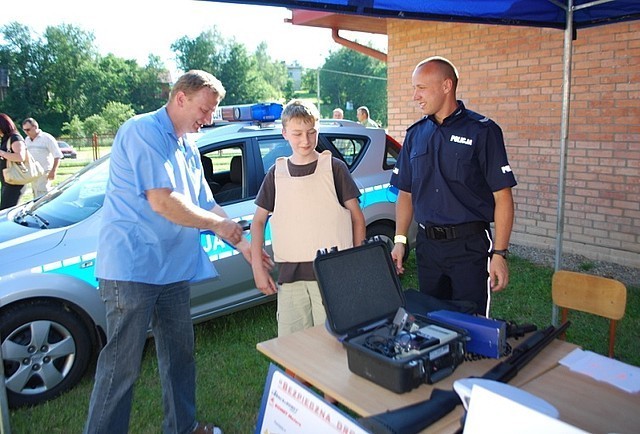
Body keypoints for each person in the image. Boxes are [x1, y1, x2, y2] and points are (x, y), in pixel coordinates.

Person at [84, 70, 271, 434]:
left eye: (213, 111)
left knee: (180, 357)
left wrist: (246, 247)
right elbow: (163, 201)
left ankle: (183, 427)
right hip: (132, 270)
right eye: (205, 109)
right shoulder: (142, 131)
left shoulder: (187, 143)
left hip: (172, 271)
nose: (208, 119)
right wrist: (217, 226)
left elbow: (205, 202)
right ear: (180, 98)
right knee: (121, 369)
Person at [390, 56, 516, 317]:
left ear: (446, 86)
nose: (415, 96)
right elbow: (405, 193)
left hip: (468, 249)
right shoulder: (415, 134)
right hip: (428, 249)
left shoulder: (483, 131)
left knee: (471, 326)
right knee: (431, 323)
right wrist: (400, 240)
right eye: (415, 88)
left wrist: (500, 254)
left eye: (421, 88)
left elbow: (503, 197)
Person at [250, 99, 366, 337]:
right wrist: (257, 268)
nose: (305, 140)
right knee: (293, 346)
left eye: (311, 132)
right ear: (284, 134)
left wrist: (357, 264)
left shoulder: (335, 169)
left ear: (318, 130)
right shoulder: (275, 174)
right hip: (291, 279)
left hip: (333, 275)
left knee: (333, 342)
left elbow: (357, 218)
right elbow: (258, 221)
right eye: (297, 133)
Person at [22, 117, 63, 198]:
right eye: (24, 130)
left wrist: (53, 171)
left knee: (44, 193)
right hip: (33, 172)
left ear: (35, 127)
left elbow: (57, 155)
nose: (26, 132)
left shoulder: (47, 138)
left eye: (28, 129)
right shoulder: (26, 140)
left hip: (45, 172)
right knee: (35, 193)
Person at [0, 113, 27, 210]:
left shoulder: (15, 138)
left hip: (15, 182)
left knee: (6, 210)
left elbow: (20, 157)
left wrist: (2, 153)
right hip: (8, 180)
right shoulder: (5, 138)